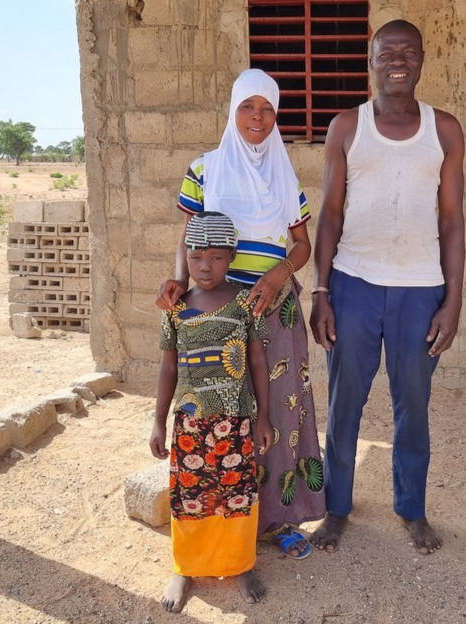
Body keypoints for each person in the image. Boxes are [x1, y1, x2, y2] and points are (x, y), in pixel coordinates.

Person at [308, 19, 465, 556]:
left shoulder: (444, 129)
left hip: (420, 290)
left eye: (408, 51)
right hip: (353, 283)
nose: (398, 59)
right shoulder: (346, 126)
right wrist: (321, 292)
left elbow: (452, 221)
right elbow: (329, 214)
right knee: (344, 401)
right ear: (371, 62)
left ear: (422, 60)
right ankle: (335, 508)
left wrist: (454, 301)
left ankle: (412, 510)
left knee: (412, 405)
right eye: (386, 52)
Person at [156, 68, 325, 560]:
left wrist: (276, 277)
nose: (258, 117)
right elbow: (189, 236)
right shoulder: (204, 168)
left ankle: (279, 520)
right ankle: (224, 519)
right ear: (233, 111)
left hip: (275, 309)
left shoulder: (285, 175)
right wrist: (181, 283)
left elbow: (302, 244)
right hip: (220, 313)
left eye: (267, 108)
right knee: (222, 412)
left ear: (276, 115)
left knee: (279, 409)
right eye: (248, 107)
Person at [151, 211, 275, 613]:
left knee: (237, 494)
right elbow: (168, 366)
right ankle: (185, 567)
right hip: (189, 424)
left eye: (217, 257)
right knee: (190, 495)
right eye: (197, 256)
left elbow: (258, 361)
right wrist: (157, 420)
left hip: (235, 422)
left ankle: (240, 565)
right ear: (184, 256)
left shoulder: (244, 304)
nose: (206, 266)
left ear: (233, 255)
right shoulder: (175, 308)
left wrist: (263, 417)